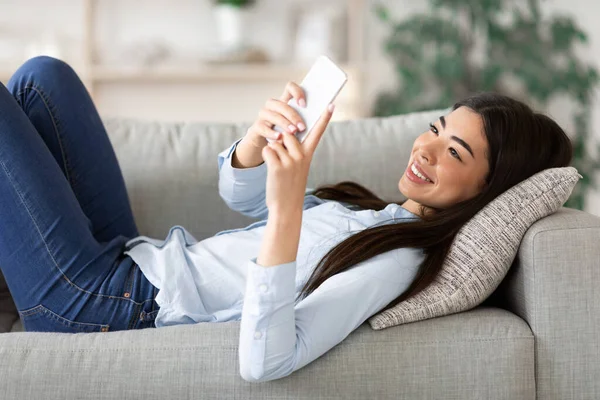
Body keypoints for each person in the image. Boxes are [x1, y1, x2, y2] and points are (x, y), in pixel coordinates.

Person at [0, 56, 572, 382]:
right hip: (135, 257)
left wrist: (286, 207)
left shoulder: (398, 261)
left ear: (486, 193)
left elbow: (266, 359)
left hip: (102, 303)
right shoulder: (379, 215)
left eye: (456, 153)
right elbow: (242, 195)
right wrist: (257, 143)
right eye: (438, 128)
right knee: (43, 80)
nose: (425, 149)